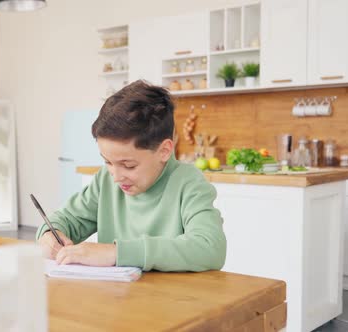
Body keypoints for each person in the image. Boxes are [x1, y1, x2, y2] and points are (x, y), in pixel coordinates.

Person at [36, 80, 226, 272]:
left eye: (128, 165)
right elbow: (66, 219)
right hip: (117, 297)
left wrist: (116, 253)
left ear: (164, 151)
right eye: (108, 162)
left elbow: (210, 248)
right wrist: (50, 235)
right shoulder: (106, 180)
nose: (116, 176)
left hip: (170, 299)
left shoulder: (189, 183)